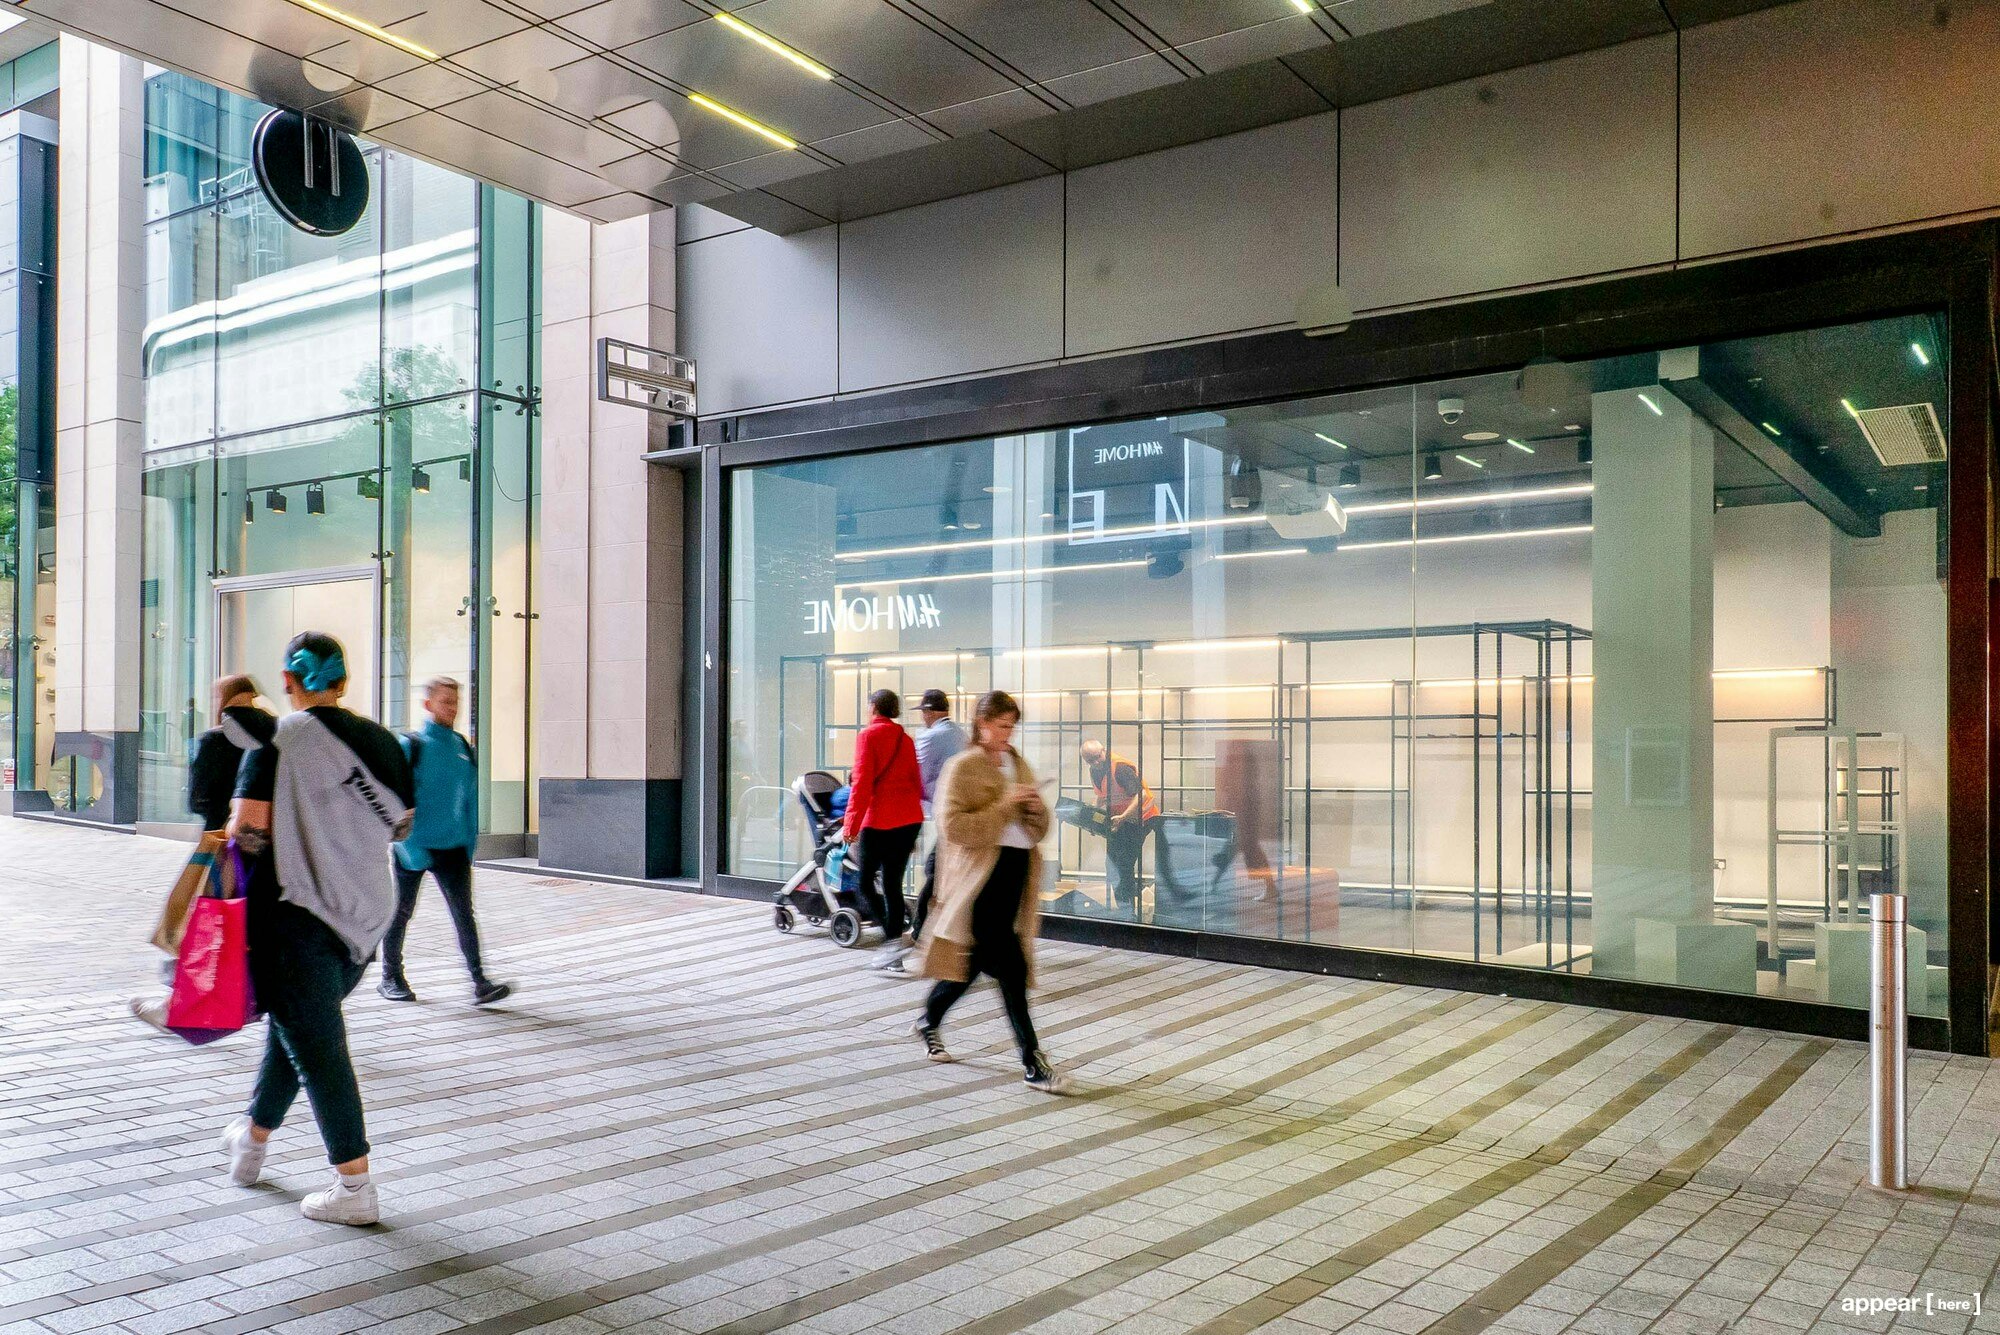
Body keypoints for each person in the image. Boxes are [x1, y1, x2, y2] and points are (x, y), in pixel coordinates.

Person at [221, 631, 415, 1226]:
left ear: (288, 680)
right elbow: (401, 827)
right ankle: (251, 1140)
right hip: (364, 919)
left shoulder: (278, 738)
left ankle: (353, 1187)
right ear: (344, 680)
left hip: (295, 918)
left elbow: (245, 833)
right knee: (298, 1028)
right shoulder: (384, 743)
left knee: (320, 1049)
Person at [910, 691, 1068, 1093]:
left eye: (1012, 726)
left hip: (1016, 874)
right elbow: (953, 828)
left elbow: (1037, 829)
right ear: (982, 724)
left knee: (971, 965)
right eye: (1001, 726)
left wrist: (1033, 807)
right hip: (980, 882)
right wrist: (1004, 805)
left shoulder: (1017, 762)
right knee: (1012, 969)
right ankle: (1032, 1062)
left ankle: (929, 1019)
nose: (1007, 733)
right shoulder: (962, 767)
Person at [130, 675, 276, 1031]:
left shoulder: (213, 739)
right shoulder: (277, 735)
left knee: (206, 920)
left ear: (223, 699)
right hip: (268, 852)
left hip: (219, 846)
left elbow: (196, 798)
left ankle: (178, 1002)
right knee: (246, 925)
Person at [377, 677, 512, 1007]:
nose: (452, 708)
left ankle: (480, 982)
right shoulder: (412, 745)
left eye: (455, 702)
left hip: (453, 848)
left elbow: (468, 797)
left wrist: (469, 841)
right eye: (445, 701)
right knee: (401, 912)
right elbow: (394, 801)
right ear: (428, 704)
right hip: (416, 848)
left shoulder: (462, 746)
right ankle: (390, 977)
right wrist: (409, 848)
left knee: (464, 914)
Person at [877, 688, 963, 972]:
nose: (923, 718)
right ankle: (925, 932)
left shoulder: (930, 737)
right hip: (959, 815)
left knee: (933, 870)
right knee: (937, 870)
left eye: (924, 712)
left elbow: (919, 775)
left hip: (946, 816)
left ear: (930, 712)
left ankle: (917, 933)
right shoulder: (961, 734)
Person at [842, 688, 924, 947]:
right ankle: (894, 943)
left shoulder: (867, 736)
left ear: (874, 707)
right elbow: (915, 783)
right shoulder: (906, 739)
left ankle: (891, 938)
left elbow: (862, 784)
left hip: (879, 821)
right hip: (909, 821)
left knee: (865, 883)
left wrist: (850, 825)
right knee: (892, 885)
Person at [1082, 738, 1160, 912]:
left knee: (1124, 862)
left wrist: (1124, 816)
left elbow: (1141, 796)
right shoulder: (1095, 770)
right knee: (1112, 862)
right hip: (1121, 820)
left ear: (1104, 751)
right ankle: (1125, 902)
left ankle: (1129, 909)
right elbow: (1103, 795)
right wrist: (1093, 816)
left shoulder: (1120, 768)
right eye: (1089, 761)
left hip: (1142, 817)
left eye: (1096, 757)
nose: (1095, 763)